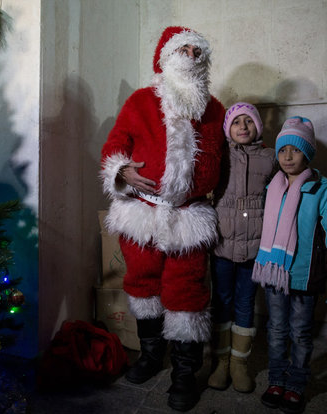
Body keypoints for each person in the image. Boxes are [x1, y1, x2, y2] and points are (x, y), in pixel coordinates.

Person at [100, 26, 225, 411]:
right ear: (164, 58)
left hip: (190, 216)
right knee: (142, 285)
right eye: (182, 49)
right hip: (142, 211)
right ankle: (152, 356)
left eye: (197, 50)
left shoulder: (216, 109)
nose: (191, 55)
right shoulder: (140, 102)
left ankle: (184, 374)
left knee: (187, 292)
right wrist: (122, 171)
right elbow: (115, 145)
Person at [252, 116, 327, 414]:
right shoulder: (272, 188)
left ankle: (295, 384)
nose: (287, 156)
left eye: (295, 150)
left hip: (304, 276)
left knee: (300, 333)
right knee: (276, 330)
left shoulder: (322, 191)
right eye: (283, 150)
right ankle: (276, 380)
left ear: (307, 153)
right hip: (275, 275)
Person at [207, 103, 275, 393]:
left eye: (249, 121)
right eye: (237, 122)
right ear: (228, 129)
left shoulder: (270, 157)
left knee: (246, 302)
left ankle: (239, 363)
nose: (243, 127)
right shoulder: (220, 156)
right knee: (222, 299)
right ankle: (221, 361)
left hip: (254, 247)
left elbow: (291, 178)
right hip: (222, 243)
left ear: (258, 127)